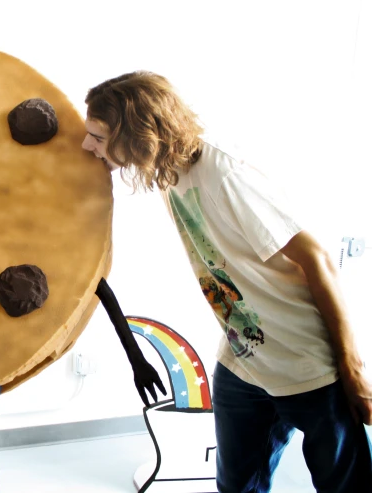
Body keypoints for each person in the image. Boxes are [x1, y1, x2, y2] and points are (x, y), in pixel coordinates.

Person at [81, 71, 372, 492]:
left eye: (98, 136)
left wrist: (354, 368)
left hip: (305, 362)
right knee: (237, 486)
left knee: (345, 485)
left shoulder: (225, 173)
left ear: (140, 132)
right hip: (243, 359)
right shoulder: (167, 170)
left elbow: (318, 258)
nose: (88, 145)